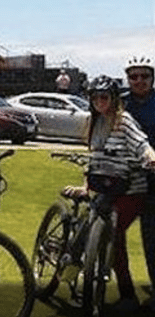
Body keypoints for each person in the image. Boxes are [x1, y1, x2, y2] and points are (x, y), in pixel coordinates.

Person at [64, 75, 155, 314]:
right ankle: (76, 264)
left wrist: (150, 157)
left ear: (114, 98)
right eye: (94, 97)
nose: (99, 102)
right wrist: (86, 186)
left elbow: (141, 143)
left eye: (104, 97)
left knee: (113, 234)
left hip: (130, 191)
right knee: (97, 226)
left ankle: (126, 295)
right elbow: (96, 159)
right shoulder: (94, 123)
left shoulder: (123, 121)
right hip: (105, 189)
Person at [122, 56, 155, 311]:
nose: (139, 81)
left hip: (153, 176)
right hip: (125, 176)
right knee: (112, 231)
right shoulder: (120, 103)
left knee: (151, 237)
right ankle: (125, 292)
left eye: (144, 76)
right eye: (134, 76)